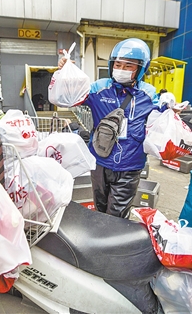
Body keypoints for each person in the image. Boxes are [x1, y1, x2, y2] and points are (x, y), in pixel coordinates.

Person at [58, 38, 176, 218]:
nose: (121, 69)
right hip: (99, 161)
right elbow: (71, 97)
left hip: (130, 165)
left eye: (128, 66)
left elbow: (162, 118)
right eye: (118, 64)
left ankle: (112, 243)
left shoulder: (148, 93)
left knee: (117, 215)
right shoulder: (99, 88)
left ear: (141, 69)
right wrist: (66, 73)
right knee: (100, 207)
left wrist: (170, 106)